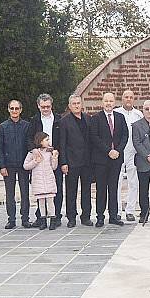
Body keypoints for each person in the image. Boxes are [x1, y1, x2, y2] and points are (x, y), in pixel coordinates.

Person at [89, 92, 129, 227]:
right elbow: (94, 137)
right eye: (106, 101)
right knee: (101, 189)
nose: (108, 103)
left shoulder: (120, 117)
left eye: (111, 101)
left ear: (114, 102)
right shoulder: (96, 118)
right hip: (101, 160)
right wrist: (109, 151)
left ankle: (113, 216)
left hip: (116, 159)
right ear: (102, 102)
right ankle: (100, 217)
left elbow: (125, 135)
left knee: (113, 188)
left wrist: (118, 150)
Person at [27, 94, 64, 227]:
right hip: (40, 158)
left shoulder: (59, 119)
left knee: (56, 188)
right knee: (40, 189)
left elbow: (63, 139)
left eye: (48, 106)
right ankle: (41, 217)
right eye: (43, 107)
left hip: (54, 156)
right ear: (38, 106)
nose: (46, 109)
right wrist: (34, 150)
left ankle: (56, 216)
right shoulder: (34, 120)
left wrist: (58, 151)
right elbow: (29, 138)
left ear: (51, 105)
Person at [59, 95, 94, 227]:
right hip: (72, 162)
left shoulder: (88, 119)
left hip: (87, 162)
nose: (76, 105)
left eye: (78, 103)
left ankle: (86, 217)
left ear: (82, 104)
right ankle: (71, 217)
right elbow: (62, 143)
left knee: (86, 190)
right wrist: (64, 162)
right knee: (71, 191)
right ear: (69, 106)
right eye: (73, 103)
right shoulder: (64, 121)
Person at [0, 99, 31, 229]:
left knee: (25, 192)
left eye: (17, 108)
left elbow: (29, 144)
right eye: (12, 108)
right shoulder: (3, 127)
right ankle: (11, 219)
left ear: (21, 110)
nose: (14, 111)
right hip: (9, 165)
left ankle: (25, 218)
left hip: (23, 164)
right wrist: (2, 166)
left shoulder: (26, 126)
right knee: (9, 193)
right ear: (8, 110)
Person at [114, 90, 143, 222]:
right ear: (122, 99)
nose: (128, 99)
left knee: (133, 182)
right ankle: (118, 211)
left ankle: (130, 210)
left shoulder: (138, 114)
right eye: (126, 97)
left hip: (134, 152)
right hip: (120, 152)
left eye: (131, 97)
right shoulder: (117, 113)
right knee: (117, 182)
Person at [24, 132, 60, 230]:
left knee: (50, 200)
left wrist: (54, 158)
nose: (48, 141)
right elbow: (26, 166)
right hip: (38, 180)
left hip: (48, 179)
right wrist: (35, 161)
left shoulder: (50, 152)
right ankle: (43, 220)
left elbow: (54, 167)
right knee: (41, 201)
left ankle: (53, 219)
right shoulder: (32, 153)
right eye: (46, 140)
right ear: (40, 141)